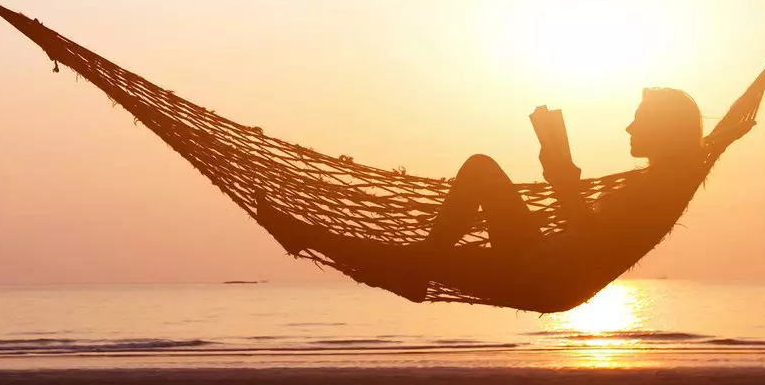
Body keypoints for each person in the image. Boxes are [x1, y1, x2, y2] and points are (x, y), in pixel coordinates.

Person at [259, 88, 711, 312]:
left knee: (478, 170)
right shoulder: (665, 180)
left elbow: (590, 235)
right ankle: (303, 234)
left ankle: (321, 240)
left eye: (639, 121)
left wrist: (561, 169)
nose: (629, 130)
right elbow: (588, 234)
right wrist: (558, 166)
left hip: (550, 273)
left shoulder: (656, 188)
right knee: (412, 259)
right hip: (551, 267)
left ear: (665, 129)